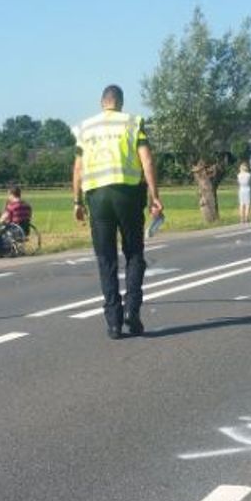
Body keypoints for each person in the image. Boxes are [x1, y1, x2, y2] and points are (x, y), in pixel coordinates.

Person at [72, 84, 163, 339]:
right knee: (134, 254)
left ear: (103, 103)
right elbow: (147, 159)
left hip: (97, 197)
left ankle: (113, 321)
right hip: (128, 195)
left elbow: (78, 167)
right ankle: (132, 310)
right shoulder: (132, 123)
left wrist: (76, 202)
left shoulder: (86, 127)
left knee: (106, 259)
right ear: (120, 103)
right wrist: (154, 196)